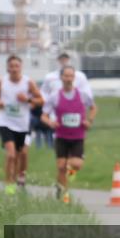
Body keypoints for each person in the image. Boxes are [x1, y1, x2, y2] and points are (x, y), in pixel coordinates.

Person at [0, 55, 43, 195]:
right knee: (11, 155)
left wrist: (28, 99)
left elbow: (41, 101)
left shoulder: (28, 83)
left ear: (21, 67)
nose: (14, 69)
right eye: (11, 66)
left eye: (16, 66)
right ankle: (9, 185)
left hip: (23, 124)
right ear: (7, 68)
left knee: (22, 154)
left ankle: (21, 177)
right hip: (5, 122)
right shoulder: (1, 82)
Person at [41, 65, 97, 203]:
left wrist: (89, 121)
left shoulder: (82, 95)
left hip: (78, 136)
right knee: (61, 166)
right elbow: (44, 116)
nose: (68, 79)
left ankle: (68, 174)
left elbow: (93, 108)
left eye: (71, 76)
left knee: (76, 164)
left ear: (74, 78)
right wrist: (50, 123)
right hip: (61, 136)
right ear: (61, 77)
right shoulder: (54, 96)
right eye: (66, 76)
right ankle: (63, 194)